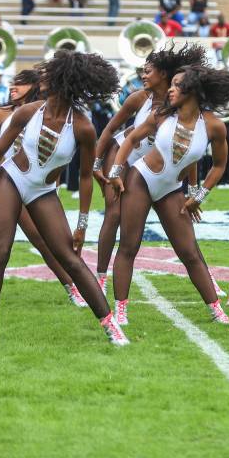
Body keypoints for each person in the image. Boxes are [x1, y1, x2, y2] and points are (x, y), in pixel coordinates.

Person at [0, 51, 128, 346]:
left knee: (71, 259)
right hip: (11, 179)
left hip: (43, 190)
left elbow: (82, 178)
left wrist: (81, 224)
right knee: (0, 252)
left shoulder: (82, 126)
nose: (42, 79)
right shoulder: (28, 112)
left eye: (49, 75)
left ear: (63, 82)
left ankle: (111, 326)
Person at [107, 65, 229, 326]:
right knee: (129, 246)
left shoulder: (213, 126)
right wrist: (116, 171)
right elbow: (131, 140)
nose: (170, 89)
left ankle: (216, 309)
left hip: (170, 190)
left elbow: (220, 166)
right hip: (141, 180)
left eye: (177, 85)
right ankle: (120, 309)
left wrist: (198, 195)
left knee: (189, 252)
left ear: (192, 91)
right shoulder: (162, 115)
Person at [0, 69, 83, 308]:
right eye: (12, 83)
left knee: (40, 237)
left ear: (35, 86)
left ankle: (72, 288)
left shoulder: (45, 114)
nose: (12, 88)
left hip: (19, 179)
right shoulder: (3, 113)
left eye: (19, 84)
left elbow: (53, 158)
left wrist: (53, 190)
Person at [93, 44, 208, 301]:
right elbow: (111, 129)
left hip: (154, 169)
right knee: (114, 215)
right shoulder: (138, 99)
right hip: (124, 157)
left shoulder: (181, 104)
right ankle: (100, 277)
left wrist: (191, 190)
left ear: (164, 75)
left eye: (148, 71)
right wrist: (97, 164)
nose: (143, 75)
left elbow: (189, 153)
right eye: (142, 71)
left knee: (183, 225)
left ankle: (206, 280)